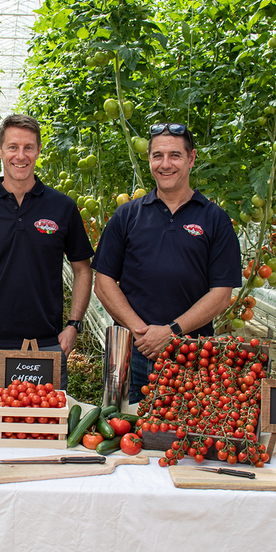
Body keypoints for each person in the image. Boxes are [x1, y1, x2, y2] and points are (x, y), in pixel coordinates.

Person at [92, 123, 241, 403]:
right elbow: (103, 282)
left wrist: (171, 332)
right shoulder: (127, 215)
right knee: (124, 430)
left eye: (175, 155)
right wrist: (142, 333)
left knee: (186, 434)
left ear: (191, 158)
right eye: (157, 156)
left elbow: (221, 294)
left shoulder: (215, 219)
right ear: (149, 159)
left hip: (191, 351)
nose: (165, 164)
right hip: (129, 350)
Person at [0, 114, 94, 401]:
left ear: (38, 151)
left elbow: (82, 269)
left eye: (29, 147)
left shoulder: (62, 207)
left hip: (45, 346)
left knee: (42, 433)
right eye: (13, 147)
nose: (21, 155)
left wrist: (73, 326)